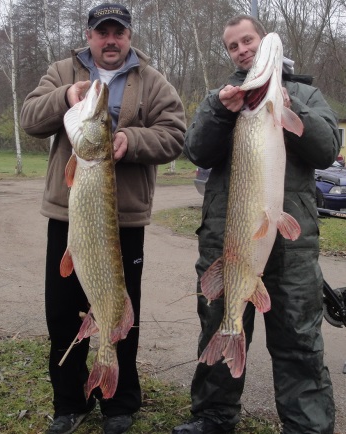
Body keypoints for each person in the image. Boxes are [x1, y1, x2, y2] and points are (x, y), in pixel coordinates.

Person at [20, 3, 186, 434]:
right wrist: (65, 98)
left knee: (121, 313)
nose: (110, 40)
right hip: (70, 214)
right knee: (62, 313)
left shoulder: (152, 80)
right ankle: (69, 403)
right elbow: (30, 120)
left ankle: (119, 403)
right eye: (102, 32)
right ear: (90, 35)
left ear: (129, 36)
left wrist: (131, 139)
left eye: (119, 32)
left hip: (125, 219)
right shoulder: (62, 71)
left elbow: (174, 135)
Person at [172, 14, 340, 434]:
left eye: (248, 41)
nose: (242, 49)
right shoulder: (223, 98)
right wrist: (218, 110)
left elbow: (326, 149)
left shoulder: (304, 93)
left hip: (291, 247)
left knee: (300, 342)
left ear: (263, 42)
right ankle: (213, 417)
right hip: (225, 240)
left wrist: (286, 101)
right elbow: (196, 150)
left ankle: (307, 427)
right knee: (218, 322)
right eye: (233, 46)